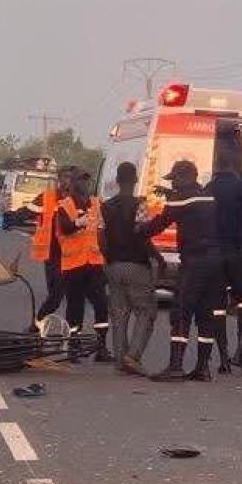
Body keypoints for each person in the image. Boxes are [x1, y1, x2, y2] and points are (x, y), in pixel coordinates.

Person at [138, 160, 224, 382]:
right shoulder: (208, 196)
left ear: (185, 177)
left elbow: (158, 224)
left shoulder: (181, 199)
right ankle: (203, 368)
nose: (173, 183)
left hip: (195, 260)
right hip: (216, 262)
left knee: (181, 311)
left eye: (175, 179)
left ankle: (175, 366)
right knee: (207, 315)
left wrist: (137, 229)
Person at [101, 162, 167, 375]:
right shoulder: (139, 205)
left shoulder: (106, 206)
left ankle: (120, 359)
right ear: (136, 179)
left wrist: (107, 257)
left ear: (118, 181)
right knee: (146, 311)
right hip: (136, 265)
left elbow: (100, 236)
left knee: (119, 313)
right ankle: (133, 356)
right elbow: (143, 234)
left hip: (113, 265)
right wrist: (158, 257)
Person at [206, 146, 242, 374]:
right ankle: (241, 351)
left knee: (217, 305)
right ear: (236, 163)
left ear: (217, 164)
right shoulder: (241, 186)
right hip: (234, 251)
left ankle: (223, 359)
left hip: (213, 252)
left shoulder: (209, 187)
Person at [56, 169, 112, 362]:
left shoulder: (96, 203)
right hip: (73, 264)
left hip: (94, 263)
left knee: (101, 304)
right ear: (72, 184)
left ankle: (101, 347)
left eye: (87, 181)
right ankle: (74, 346)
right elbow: (65, 227)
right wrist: (79, 222)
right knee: (75, 306)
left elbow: (102, 232)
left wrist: (107, 256)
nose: (85, 185)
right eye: (81, 180)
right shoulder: (64, 205)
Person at [30, 167, 75, 326]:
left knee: (62, 296)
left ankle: (37, 326)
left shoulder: (78, 200)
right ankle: (38, 324)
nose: (66, 181)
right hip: (51, 254)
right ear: (59, 179)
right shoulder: (47, 197)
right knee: (54, 296)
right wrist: (9, 218)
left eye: (69, 177)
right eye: (64, 177)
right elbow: (28, 211)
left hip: (71, 256)